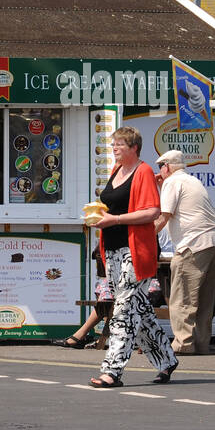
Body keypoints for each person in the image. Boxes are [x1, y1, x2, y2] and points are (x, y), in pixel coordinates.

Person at [88, 126, 178, 387]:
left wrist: (114, 219)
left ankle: (112, 371)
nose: (114, 148)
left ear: (134, 148)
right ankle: (167, 359)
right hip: (113, 250)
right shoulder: (117, 171)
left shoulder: (144, 171)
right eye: (113, 144)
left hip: (135, 251)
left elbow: (152, 212)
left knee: (124, 311)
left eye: (120, 145)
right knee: (139, 310)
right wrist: (98, 216)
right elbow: (112, 205)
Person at [153, 149, 215, 355]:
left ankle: (183, 343)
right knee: (204, 298)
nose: (159, 171)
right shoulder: (191, 180)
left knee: (182, 296)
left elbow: (163, 217)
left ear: (167, 166)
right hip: (214, 241)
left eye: (160, 167)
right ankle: (201, 343)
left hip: (193, 243)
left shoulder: (172, 182)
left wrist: (143, 238)